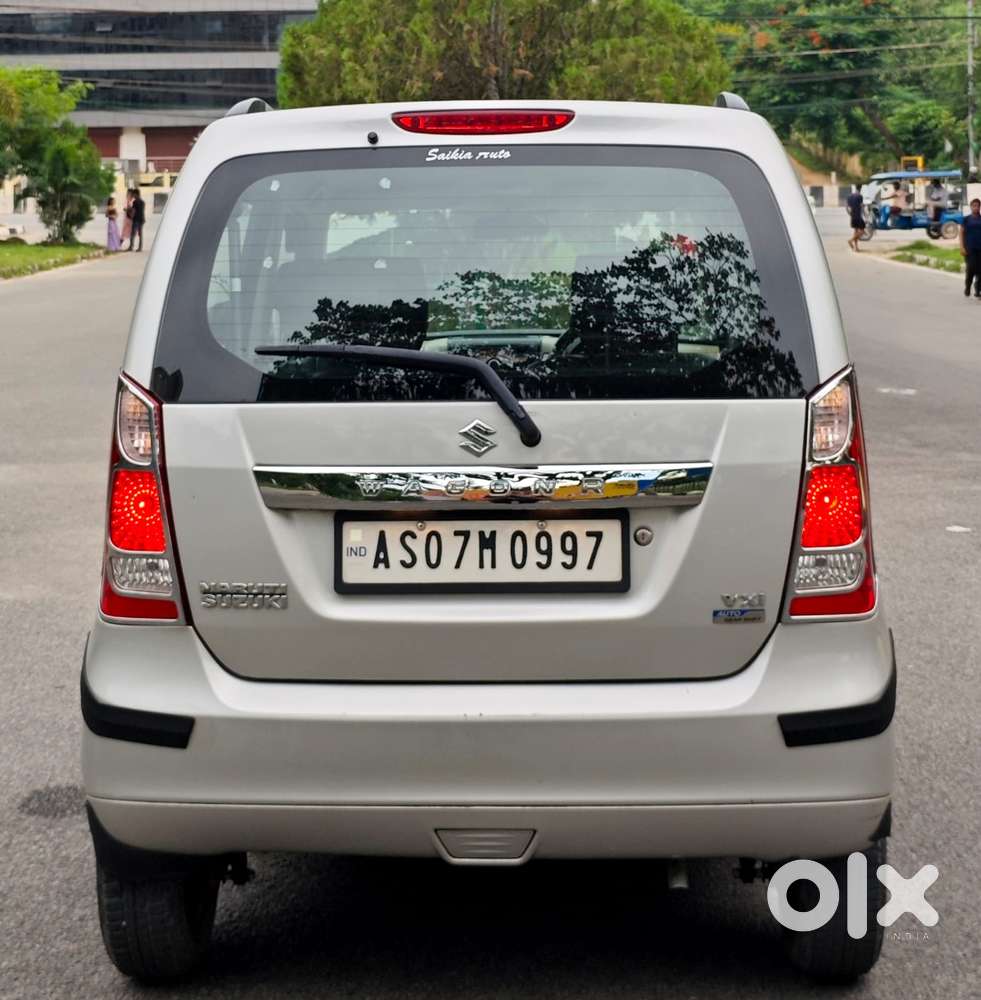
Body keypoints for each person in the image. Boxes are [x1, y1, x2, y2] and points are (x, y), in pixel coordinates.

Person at [960, 197, 981, 297]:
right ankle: (968, 286)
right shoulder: (966, 219)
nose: (976, 208)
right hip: (970, 248)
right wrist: (962, 247)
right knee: (971, 268)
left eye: (978, 206)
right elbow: (961, 233)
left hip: (980, 248)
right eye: (974, 206)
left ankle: (978, 290)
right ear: (971, 207)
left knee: (980, 270)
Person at [846, 184, 865, 251]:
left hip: (853, 216)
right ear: (861, 188)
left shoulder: (850, 196)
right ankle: (851, 240)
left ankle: (856, 248)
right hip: (858, 216)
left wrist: (850, 214)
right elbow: (861, 206)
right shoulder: (860, 196)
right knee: (862, 231)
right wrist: (863, 206)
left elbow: (847, 207)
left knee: (856, 231)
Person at [128, 187, 146, 251]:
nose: (133, 195)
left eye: (133, 194)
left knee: (133, 234)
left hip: (136, 219)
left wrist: (130, 215)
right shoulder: (143, 202)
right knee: (140, 234)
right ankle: (140, 247)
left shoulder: (135, 202)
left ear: (136, 194)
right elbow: (141, 211)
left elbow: (134, 211)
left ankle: (131, 247)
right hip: (142, 219)